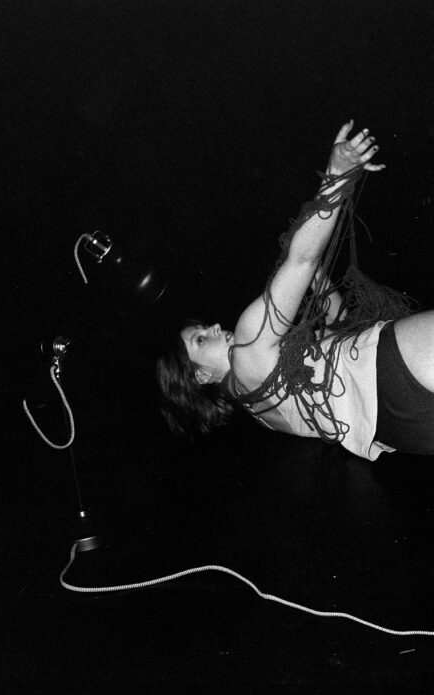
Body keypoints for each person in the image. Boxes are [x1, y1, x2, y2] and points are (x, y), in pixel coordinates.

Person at [156, 121, 434, 460]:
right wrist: (337, 175)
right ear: (200, 375)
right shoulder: (247, 351)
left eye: (202, 327)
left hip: (400, 430)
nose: (212, 328)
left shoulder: (263, 415)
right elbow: (301, 259)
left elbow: (338, 322)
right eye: (199, 340)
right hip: (388, 370)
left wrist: (316, 280)